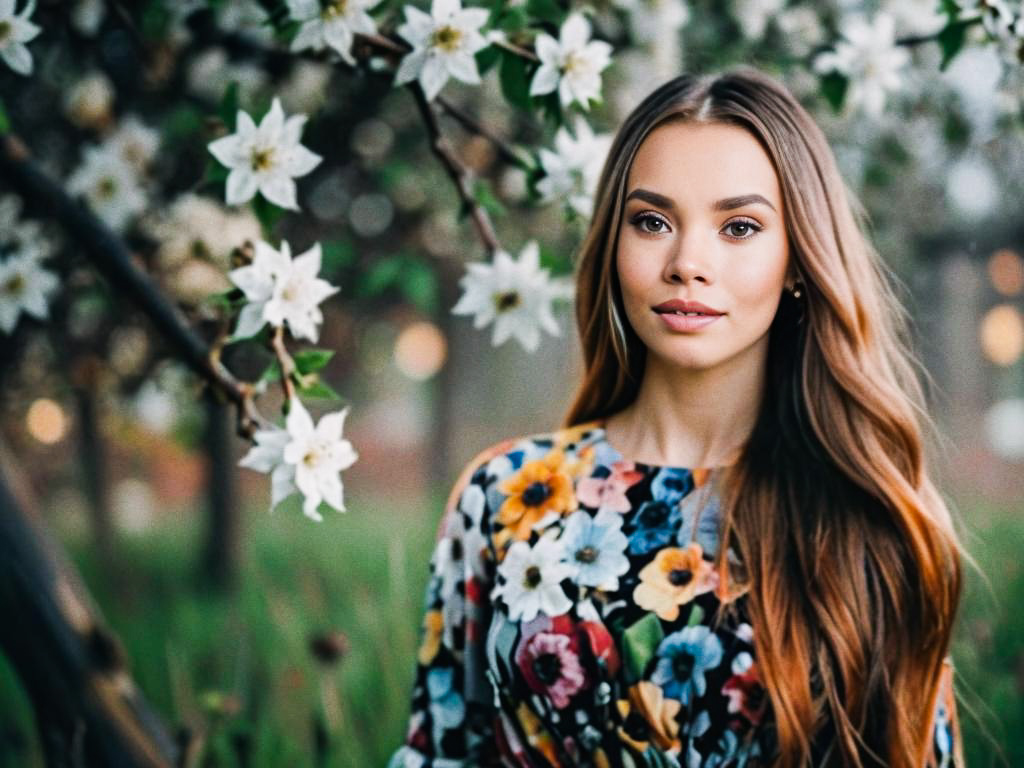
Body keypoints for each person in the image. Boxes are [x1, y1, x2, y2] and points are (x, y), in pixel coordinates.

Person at [388, 67, 964, 768]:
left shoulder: (870, 513)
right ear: (613, 244)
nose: (688, 262)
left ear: (797, 262)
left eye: (740, 227)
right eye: (652, 222)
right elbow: (442, 750)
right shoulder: (506, 495)